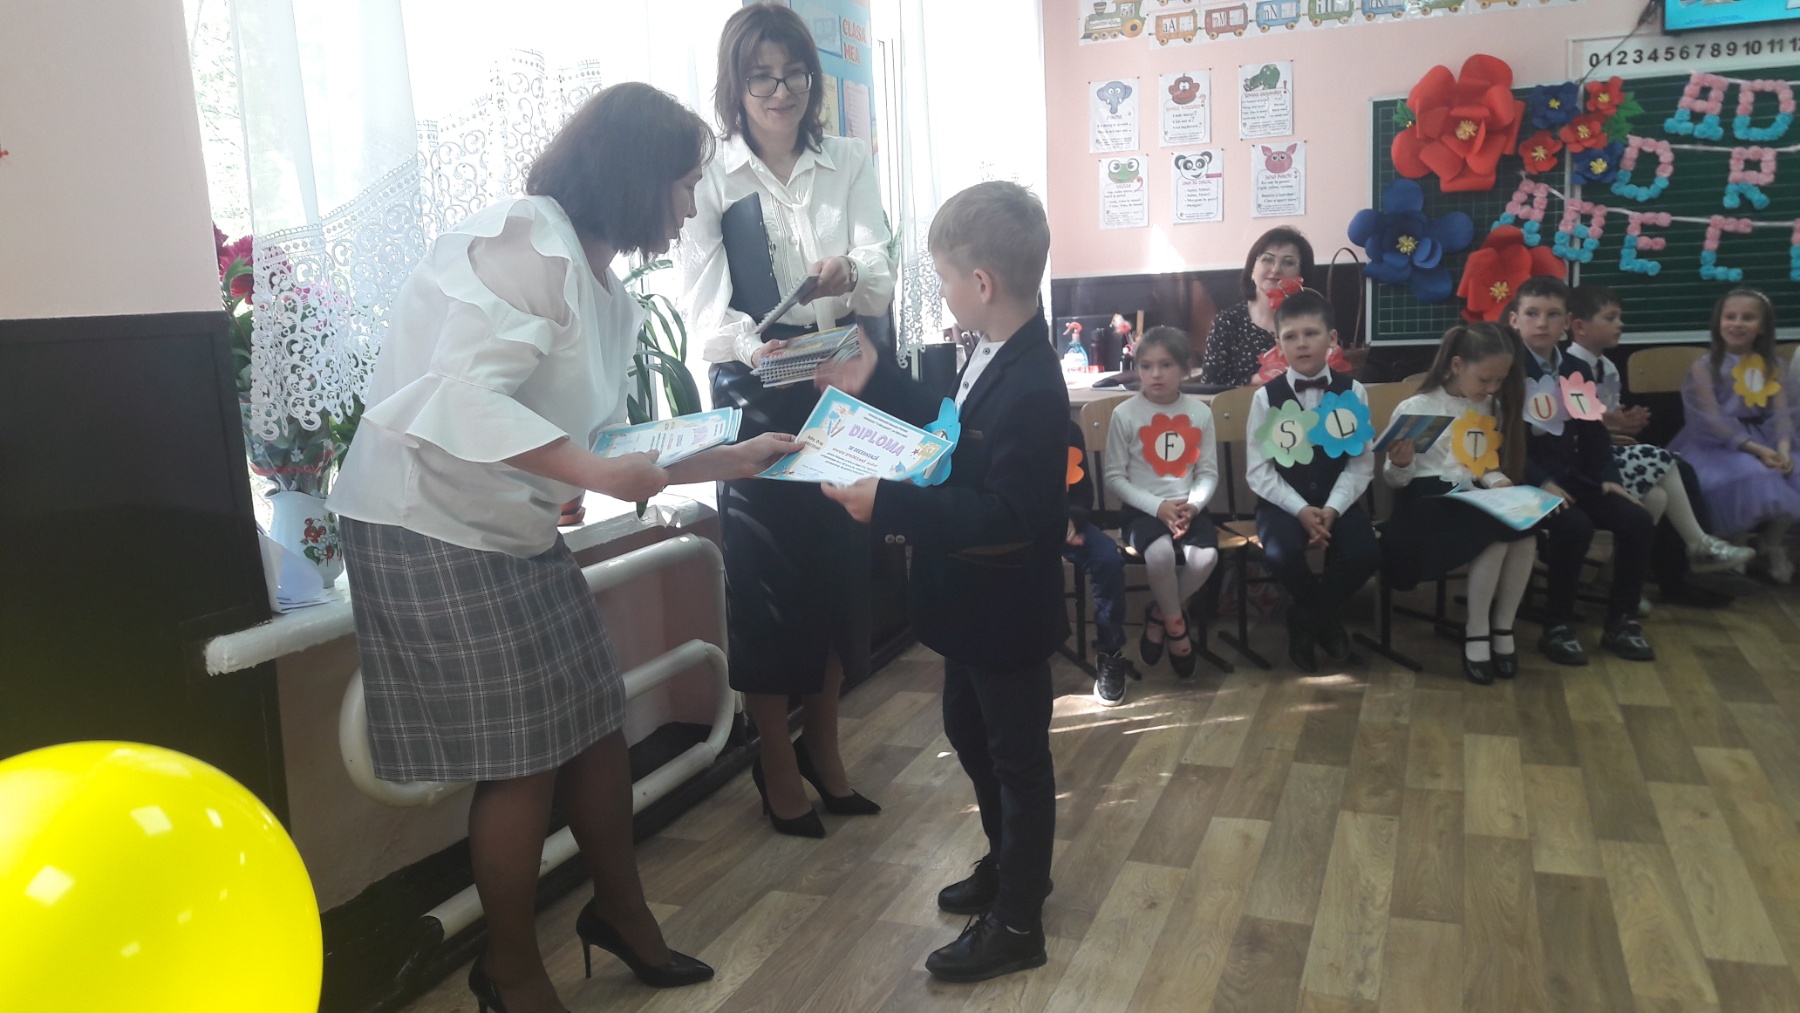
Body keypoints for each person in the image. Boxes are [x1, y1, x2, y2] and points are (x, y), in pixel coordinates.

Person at [329, 84, 802, 1013]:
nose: (687, 206)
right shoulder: (528, 244)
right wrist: (584, 468)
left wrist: (728, 457)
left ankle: (620, 912)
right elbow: (456, 397)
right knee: (522, 757)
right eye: (681, 184)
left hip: (505, 524)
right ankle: (508, 970)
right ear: (633, 176)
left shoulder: (606, 289)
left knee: (592, 720)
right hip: (426, 522)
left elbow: (607, 441)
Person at [815, 182, 1065, 983]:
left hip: (1006, 611)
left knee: (1018, 761)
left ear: (980, 282)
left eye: (946, 279)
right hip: (968, 608)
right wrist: (881, 380)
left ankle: (1019, 920)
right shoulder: (993, 348)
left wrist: (888, 503)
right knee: (969, 730)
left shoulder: (1035, 384)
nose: (945, 292)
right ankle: (1009, 860)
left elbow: (1009, 514)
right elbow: (952, 430)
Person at [675, 2, 896, 838]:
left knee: (840, 569)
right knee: (769, 584)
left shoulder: (847, 159)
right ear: (734, 86)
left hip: (839, 380)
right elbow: (702, 312)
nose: (780, 90)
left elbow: (881, 270)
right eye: (760, 76)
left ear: (813, 78)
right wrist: (752, 341)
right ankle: (774, 759)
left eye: (793, 72)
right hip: (754, 389)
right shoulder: (711, 175)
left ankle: (824, 748)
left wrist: (849, 273)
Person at [1565, 285, 1754, 595]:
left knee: (1657, 497)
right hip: (1582, 462)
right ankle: (1698, 544)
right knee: (1665, 460)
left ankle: (1618, 581)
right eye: (1611, 318)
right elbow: (1575, 429)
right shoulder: (1569, 368)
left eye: (1620, 317)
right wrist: (1608, 425)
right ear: (1579, 326)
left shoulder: (1608, 368)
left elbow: (1605, 427)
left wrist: (1624, 425)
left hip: (1606, 454)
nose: (1620, 324)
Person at [1381, 323, 1540, 685]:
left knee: (1525, 530)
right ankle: (1477, 629)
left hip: (1473, 495)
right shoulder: (1420, 408)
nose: (1492, 388)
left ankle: (1503, 627)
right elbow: (1395, 481)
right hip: (1426, 503)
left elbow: (1485, 464)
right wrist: (1401, 462)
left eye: (1499, 380)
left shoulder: (1490, 407)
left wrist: (1502, 485)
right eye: (1485, 379)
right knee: (1493, 534)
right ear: (1456, 365)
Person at [1511, 276, 1655, 665]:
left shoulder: (1575, 368)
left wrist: (1609, 477)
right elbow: (1503, 443)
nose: (1542, 323)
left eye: (1552, 314)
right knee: (1574, 526)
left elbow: (1593, 433)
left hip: (1572, 476)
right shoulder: (1506, 368)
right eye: (1532, 314)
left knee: (1637, 520)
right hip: (1523, 479)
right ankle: (1557, 626)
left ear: (1566, 322)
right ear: (1515, 320)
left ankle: (1621, 622)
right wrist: (1541, 482)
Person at [1245, 288, 1380, 672]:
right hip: (1283, 503)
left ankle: (1305, 619)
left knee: (1364, 553)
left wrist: (1332, 509)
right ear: (1279, 345)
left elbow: (1361, 464)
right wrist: (1301, 509)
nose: (1301, 343)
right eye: (1290, 336)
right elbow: (1258, 470)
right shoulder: (1265, 398)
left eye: (1311, 333)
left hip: (1339, 499)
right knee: (1281, 553)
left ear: (1332, 339)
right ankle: (1327, 622)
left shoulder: (1353, 391)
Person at [1103, 326, 1220, 681]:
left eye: (1166, 365)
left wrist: (1194, 506)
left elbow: (1208, 473)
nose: (1155, 374)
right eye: (1146, 365)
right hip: (1142, 510)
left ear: (1185, 369)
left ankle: (1159, 614)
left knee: (1206, 558)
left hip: (1188, 507)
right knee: (1160, 555)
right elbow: (1114, 477)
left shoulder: (1200, 413)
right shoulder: (1125, 414)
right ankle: (1177, 628)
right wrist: (1157, 507)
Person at [1669, 287, 1800, 584]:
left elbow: (1783, 414)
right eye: (1730, 317)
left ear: (1762, 327)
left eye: (1748, 318)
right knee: (1753, 475)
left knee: (1792, 472)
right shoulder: (1705, 366)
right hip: (1718, 443)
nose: (1737, 324)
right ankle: (1736, 542)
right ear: (1719, 322)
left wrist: (1782, 447)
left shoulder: (1773, 366)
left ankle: (1772, 542)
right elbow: (1711, 420)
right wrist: (1757, 450)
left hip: (1767, 437)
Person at [1065, 419, 1137, 705]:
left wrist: (1071, 520)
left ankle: (1110, 650)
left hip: (1066, 523)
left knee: (1107, 559)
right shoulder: (1000, 422)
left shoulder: (1067, 429)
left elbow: (1083, 494)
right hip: (1018, 525)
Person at [1198, 227, 1314, 387]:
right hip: (1242, 403)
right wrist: (1255, 381)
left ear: (1301, 275)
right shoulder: (1227, 322)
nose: (1276, 269)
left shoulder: (1313, 319)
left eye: (1288, 262)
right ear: (1252, 269)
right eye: (1267, 259)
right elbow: (1210, 386)